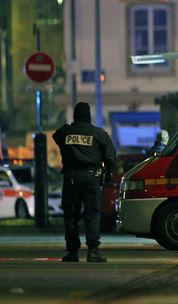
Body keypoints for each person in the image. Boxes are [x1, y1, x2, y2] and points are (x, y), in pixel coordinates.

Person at [53, 102, 117, 263]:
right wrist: (108, 176)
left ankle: (73, 252)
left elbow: (56, 135)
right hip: (91, 178)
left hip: (71, 177)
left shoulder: (66, 133)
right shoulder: (98, 134)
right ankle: (93, 251)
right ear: (89, 115)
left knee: (71, 216)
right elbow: (111, 157)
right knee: (92, 214)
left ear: (75, 115)